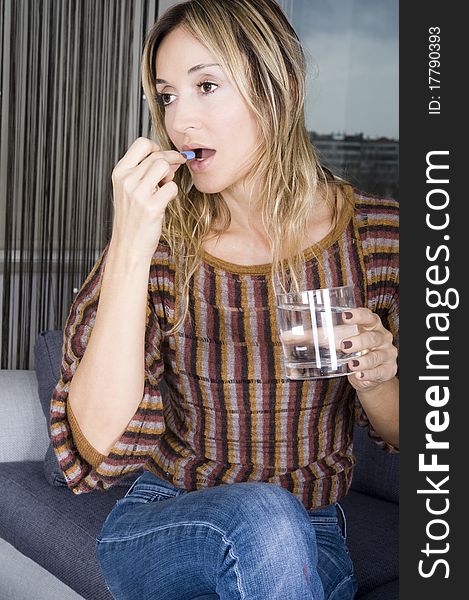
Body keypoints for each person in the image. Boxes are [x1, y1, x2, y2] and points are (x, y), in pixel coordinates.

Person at [50, 0, 399, 598]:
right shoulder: (159, 244)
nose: (179, 119)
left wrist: (375, 381)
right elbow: (94, 451)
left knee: (278, 528)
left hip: (313, 530)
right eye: (166, 96)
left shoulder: (375, 237)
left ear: (280, 87)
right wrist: (131, 244)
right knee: (265, 517)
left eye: (205, 85)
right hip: (167, 518)